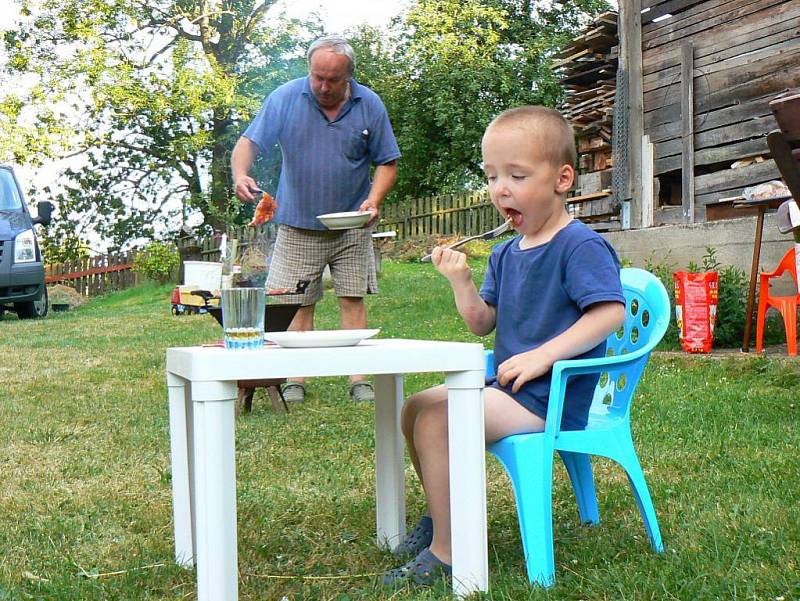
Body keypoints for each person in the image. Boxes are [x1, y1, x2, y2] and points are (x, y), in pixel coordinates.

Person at [381, 106, 626, 587]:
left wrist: (543, 355)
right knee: (415, 407)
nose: (501, 189)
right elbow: (481, 323)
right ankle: (441, 515)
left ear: (562, 178)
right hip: (511, 389)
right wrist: (459, 280)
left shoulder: (579, 245)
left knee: (437, 417)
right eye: (492, 176)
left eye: (517, 174)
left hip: (549, 397)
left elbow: (610, 312)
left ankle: (450, 551)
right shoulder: (505, 253)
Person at [231, 36, 400, 403]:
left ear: (348, 77)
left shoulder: (369, 104)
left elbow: (387, 161)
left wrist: (373, 199)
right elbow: (249, 142)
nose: (323, 86)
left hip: (352, 225)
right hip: (296, 223)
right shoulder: (285, 98)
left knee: (352, 298)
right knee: (298, 302)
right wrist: (240, 174)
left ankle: (359, 379)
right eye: (317, 77)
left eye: (332, 80)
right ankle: (296, 379)